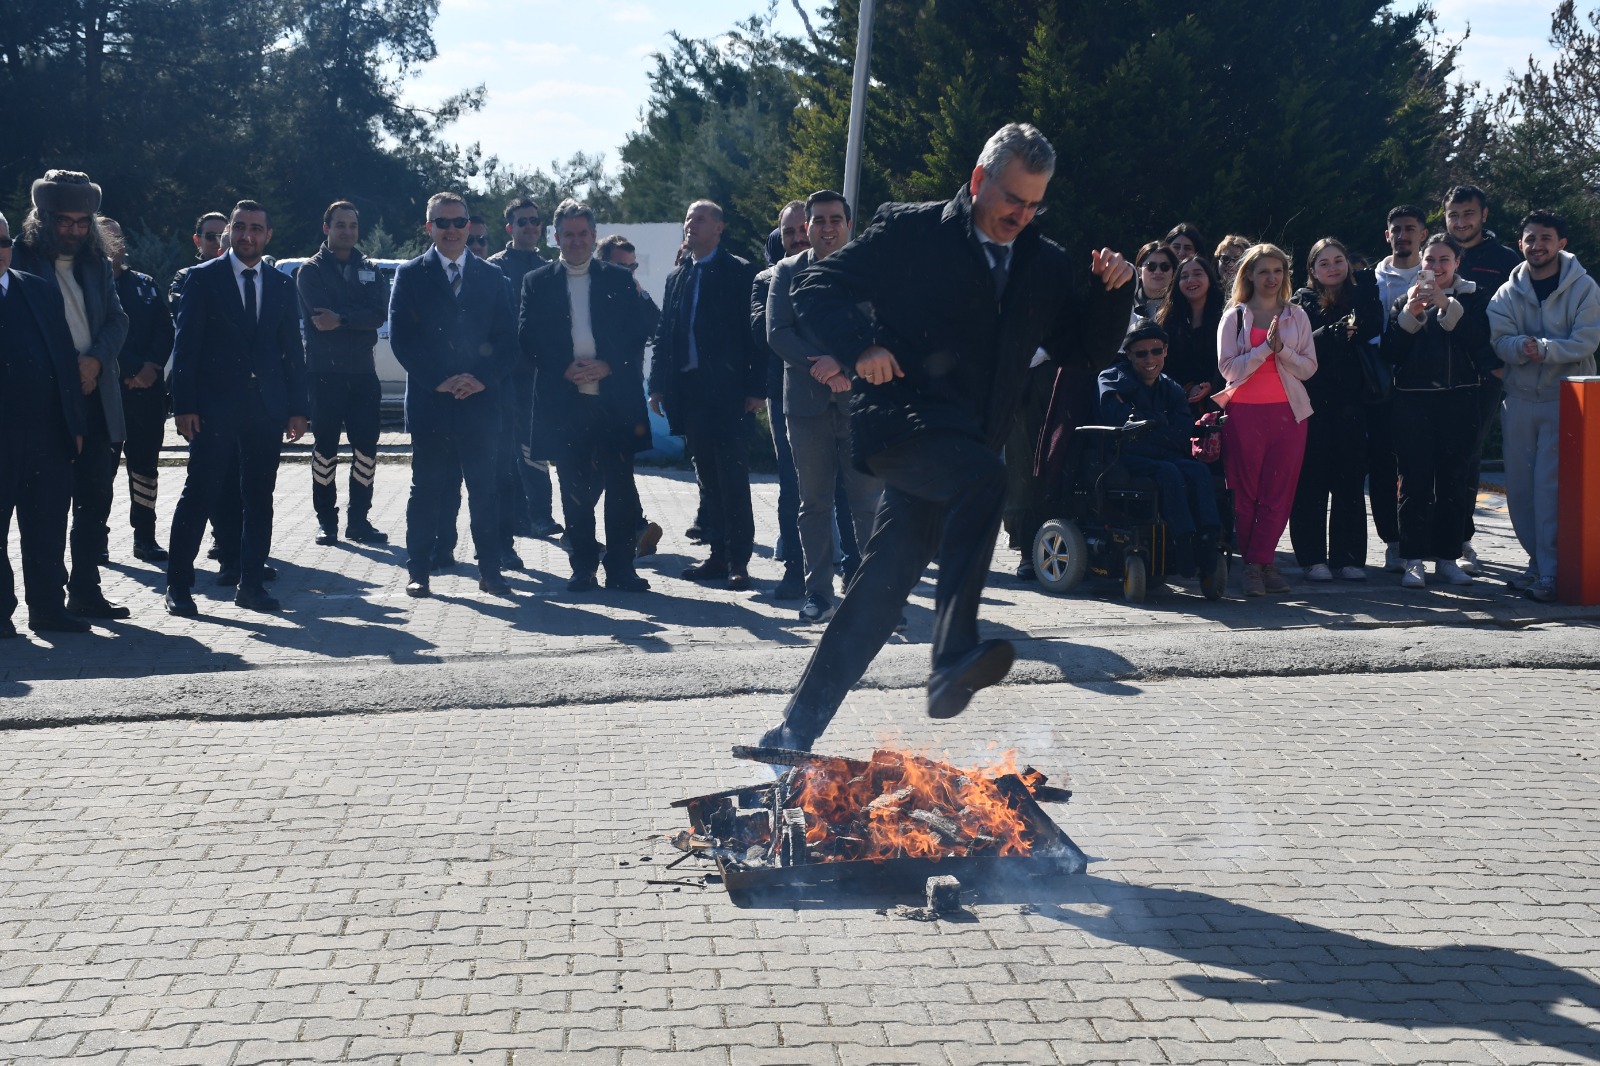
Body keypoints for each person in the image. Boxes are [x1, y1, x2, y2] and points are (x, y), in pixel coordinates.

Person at [755, 122, 1134, 752]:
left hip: (963, 450)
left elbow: (1083, 349)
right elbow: (817, 285)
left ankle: (792, 731)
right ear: (980, 180)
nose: (1022, 214)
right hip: (902, 429)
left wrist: (1110, 294)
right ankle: (953, 654)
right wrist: (860, 345)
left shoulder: (1044, 262)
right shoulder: (913, 232)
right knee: (987, 477)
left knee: (878, 593)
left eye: (1036, 202)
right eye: (1013, 197)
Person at [164, 200, 308, 616]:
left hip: (266, 409)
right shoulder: (202, 279)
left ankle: (251, 585)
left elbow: (291, 353)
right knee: (200, 494)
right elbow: (186, 347)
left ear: (268, 235)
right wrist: (184, 405)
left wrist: (298, 408)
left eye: (256, 229)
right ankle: (178, 586)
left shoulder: (282, 284)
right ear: (228, 232)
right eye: (240, 228)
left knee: (259, 497)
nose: (247, 236)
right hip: (212, 409)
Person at [11, 170, 131, 621]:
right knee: (47, 505)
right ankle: (47, 600)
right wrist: (67, 371)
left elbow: (118, 321)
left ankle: (86, 590)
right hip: (44, 403)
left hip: (95, 395)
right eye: (66, 221)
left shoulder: (97, 265)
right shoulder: (19, 261)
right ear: (43, 218)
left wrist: (96, 360)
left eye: (84, 222)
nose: (75, 230)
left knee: (95, 499)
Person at [520, 200, 653, 592]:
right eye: (568, 234)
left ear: (594, 237)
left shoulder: (618, 279)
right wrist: (563, 365)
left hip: (615, 399)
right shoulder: (537, 282)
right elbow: (527, 336)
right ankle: (583, 567)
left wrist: (608, 364)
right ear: (556, 237)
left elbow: (637, 332)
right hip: (565, 400)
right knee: (573, 488)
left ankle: (621, 567)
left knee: (621, 486)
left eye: (583, 233)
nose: (576, 240)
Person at [390, 192, 518, 599]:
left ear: (469, 226)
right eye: (441, 223)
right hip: (432, 402)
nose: (451, 230)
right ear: (429, 227)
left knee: (485, 490)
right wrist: (439, 379)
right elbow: (402, 340)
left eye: (458, 222)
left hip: (480, 403)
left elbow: (508, 341)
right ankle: (419, 571)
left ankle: (491, 571)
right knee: (427, 490)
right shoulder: (410, 275)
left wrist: (481, 378)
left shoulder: (493, 277)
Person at [766, 190, 884, 623]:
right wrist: (822, 367)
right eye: (818, 220)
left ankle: (877, 595)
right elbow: (778, 333)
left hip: (859, 404)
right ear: (808, 227)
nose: (827, 227)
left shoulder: (869, 271)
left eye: (836, 219)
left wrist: (845, 364)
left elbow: (881, 327)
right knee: (812, 504)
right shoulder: (786, 271)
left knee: (867, 504)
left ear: (849, 225)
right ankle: (818, 593)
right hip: (806, 408)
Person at [648, 200, 765, 590]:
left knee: (732, 478)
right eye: (687, 219)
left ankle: (738, 560)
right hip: (690, 393)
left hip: (729, 393)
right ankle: (716, 555)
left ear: (719, 227)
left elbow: (754, 336)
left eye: (699, 219)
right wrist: (658, 385)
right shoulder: (677, 277)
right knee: (707, 480)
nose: (690, 225)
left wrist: (754, 388)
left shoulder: (740, 272)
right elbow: (665, 334)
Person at [1487, 210, 1600, 603]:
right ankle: (1538, 564)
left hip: (1566, 401)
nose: (1537, 245)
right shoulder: (1507, 291)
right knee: (1519, 489)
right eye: (1530, 238)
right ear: (1521, 244)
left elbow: (1587, 340)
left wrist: (1546, 350)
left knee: (1550, 488)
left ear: (1561, 243)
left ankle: (1553, 573)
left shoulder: (1585, 288)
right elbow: (1499, 340)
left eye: (1545, 238)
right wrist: (1521, 348)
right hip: (1518, 399)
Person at [1380, 233, 1497, 590]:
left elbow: (1478, 343)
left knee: (1453, 482)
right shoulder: (1405, 299)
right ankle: (1412, 559)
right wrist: (1410, 316)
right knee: (1413, 483)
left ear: (1458, 263)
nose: (1436, 267)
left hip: (1459, 400)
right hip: (1412, 402)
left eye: (1444, 260)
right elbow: (1390, 354)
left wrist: (1447, 305)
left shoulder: (1475, 298)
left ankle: (1447, 558)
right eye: (1430, 260)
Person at [0, 212, 89, 636]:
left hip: (46, 434)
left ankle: (49, 608)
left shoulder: (36, 289)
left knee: (48, 526)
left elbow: (64, 361)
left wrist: (73, 423)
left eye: (2, 242)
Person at [1215, 243, 1317, 597]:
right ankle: (1253, 565)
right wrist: (1263, 350)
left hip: (1290, 414)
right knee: (1245, 494)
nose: (1271, 278)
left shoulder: (1297, 315)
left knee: (1279, 493)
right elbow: (1228, 368)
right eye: (1264, 272)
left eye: (1278, 271)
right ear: (1250, 276)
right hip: (1244, 412)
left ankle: (1262, 562)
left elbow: (1308, 368)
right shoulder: (1234, 316)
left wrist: (1282, 350)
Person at [1097, 318, 1222, 585]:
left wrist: (1150, 423)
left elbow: (1182, 431)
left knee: (1199, 470)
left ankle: (1209, 539)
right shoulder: (1112, 378)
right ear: (1128, 354)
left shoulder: (1170, 386)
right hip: (1126, 458)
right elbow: (1122, 427)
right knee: (1168, 472)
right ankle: (1184, 541)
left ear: (1165, 351)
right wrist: (1161, 425)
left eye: (1156, 351)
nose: (1149, 359)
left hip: (1163, 455)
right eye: (1141, 353)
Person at [295, 200, 391, 546]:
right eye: (340, 225)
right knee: (325, 450)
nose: (347, 231)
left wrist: (344, 319)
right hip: (324, 375)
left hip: (363, 375)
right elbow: (321, 320)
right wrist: (353, 318)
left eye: (352, 225)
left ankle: (359, 521)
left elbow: (379, 314)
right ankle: (327, 522)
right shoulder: (310, 271)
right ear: (327, 228)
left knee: (366, 449)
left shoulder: (371, 268)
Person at [1289, 238, 1384, 581]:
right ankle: (1312, 558)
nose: (1332, 267)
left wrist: (1368, 285)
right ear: (1312, 270)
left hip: (1351, 403)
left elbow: (1372, 326)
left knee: (1349, 482)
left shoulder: (1360, 294)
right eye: (1324, 262)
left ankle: (1349, 557)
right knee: (1311, 483)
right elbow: (1299, 343)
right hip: (1312, 403)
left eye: (1339, 260)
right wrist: (1333, 331)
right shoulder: (1302, 300)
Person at [1444, 184, 1523, 574]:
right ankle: (1420, 541)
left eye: (1468, 214)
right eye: (1454, 215)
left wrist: (1497, 363)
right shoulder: (1436, 254)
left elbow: (1514, 316)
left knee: (1467, 456)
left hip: (1483, 373)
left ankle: (1460, 540)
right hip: (1432, 373)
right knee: (1423, 458)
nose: (1461, 222)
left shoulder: (1506, 260)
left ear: (1484, 215)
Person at [101, 218, 175, 564]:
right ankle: (94, 539)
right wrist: (133, 369)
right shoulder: (90, 287)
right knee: (101, 470)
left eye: (117, 236)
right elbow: (98, 336)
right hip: (107, 394)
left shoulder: (144, 285)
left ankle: (145, 537)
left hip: (147, 394)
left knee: (145, 468)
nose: (112, 243)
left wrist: (151, 368)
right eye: (104, 236)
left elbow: (165, 329)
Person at [752, 200, 810, 600]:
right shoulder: (766, 279)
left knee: (845, 489)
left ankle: (856, 574)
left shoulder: (843, 271)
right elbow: (763, 330)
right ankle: (794, 570)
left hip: (840, 392)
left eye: (801, 229)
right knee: (792, 485)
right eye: (788, 232)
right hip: (785, 394)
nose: (797, 238)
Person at [1367, 205, 1429, 572]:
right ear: (1386, 235)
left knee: (1422, 468)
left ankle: (1428, 541)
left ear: (1423, 233)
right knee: (1382, 467)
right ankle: (1393, 540)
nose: (1403, 235)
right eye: (1396, 229)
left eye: (1410, 228)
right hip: (1381, 386)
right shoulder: (1371, 280)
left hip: (1426, 385)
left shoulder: (1437, 273)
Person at [597, 233, 664, 559]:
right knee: (601, 468)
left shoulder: (636, 296)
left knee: (620, 467)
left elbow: (657, 328)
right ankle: (630, 528)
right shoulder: (590, 294)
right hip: (592, 396)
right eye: (620, 266)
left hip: (626, 395)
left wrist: (640, 291)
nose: (628, 272)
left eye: (632, 266)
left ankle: (635, 528)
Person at [1157, 255, 1225, 412]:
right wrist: (1188, 387)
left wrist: (1210, 385)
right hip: (1177, 403)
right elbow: (1164, 366)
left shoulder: (1225, 318)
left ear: (1209, 278)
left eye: (1197, 274)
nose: (1191, 280)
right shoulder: (1168, 321)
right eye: (1184, 276)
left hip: (1218, 404)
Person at [1131, 241, 1177, 321]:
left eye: (1165, 267)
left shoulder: (1182, 304)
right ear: (1139, 271)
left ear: (1173, 271)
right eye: (1151, 266)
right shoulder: (1128, 303)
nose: (1158, 272)